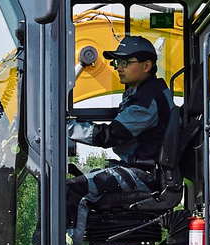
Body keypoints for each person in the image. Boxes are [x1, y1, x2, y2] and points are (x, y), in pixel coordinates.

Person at [69, 34, 173, 214]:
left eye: (125, 63)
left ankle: (64, 243)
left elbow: (109, 136)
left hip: (143, 175)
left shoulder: (147, 101)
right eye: (117, 63)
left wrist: (66, 129)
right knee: (79, 183)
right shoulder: (141, 93)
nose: (118, 68)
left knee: (71, 191)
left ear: (146, 66)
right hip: (137, 168)